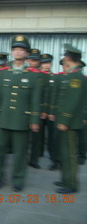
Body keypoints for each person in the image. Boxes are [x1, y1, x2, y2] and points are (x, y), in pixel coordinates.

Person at [0, 35, 42, 192]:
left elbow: (35, 100)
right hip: (4, 118)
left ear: (26, 54)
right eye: (15, 50)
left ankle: (18, 179)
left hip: (22, 119)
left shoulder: (33, 75)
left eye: (22, 50)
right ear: (12, 53)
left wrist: (34, 120)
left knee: (20, 153)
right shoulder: (3, 73)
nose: (18, 52)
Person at [51, 44, 86, 193]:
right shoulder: (72, 75)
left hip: (70, 123)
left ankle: (71, 184)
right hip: (66, 121)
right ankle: (65, 180)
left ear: (68, 58)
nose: (64, 59)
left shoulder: (76, 76)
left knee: (70, 154)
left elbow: (72, 101)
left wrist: (64, 121)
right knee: (64, 153)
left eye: (65, 56)